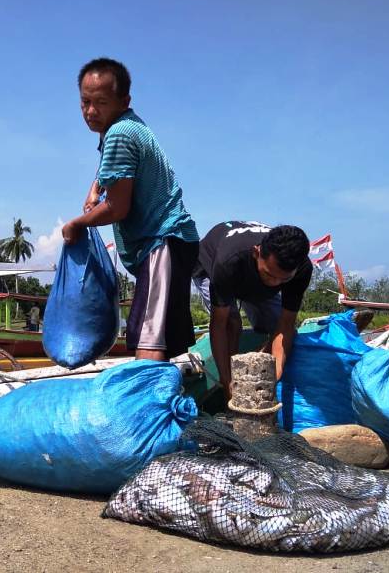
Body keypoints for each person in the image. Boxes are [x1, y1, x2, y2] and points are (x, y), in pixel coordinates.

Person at [62, 57, 199, 361]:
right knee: (158, 337)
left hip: (162, 240)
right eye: (85, 102)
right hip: (173, 242)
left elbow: (117, 208)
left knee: (149, 340)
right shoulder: (128, 126)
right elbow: (112, 171)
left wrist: (79, 224)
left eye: (101, 102)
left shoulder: (119, 135)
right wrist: (95, 187)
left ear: (123, 101)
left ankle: (145, 405)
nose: (91, 111)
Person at [191, 222, 312, 399]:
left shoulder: (302, 268)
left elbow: (285, 324)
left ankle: (255, 364)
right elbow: (219, 325)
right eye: (269, 274)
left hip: (253, 281)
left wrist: (273, 376)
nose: (275, 283)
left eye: (283, 279)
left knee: (281, 330)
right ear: (257, 253)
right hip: (210, 268)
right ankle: (230, 385)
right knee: (233, 323)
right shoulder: (228, 261)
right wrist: (228, 383)